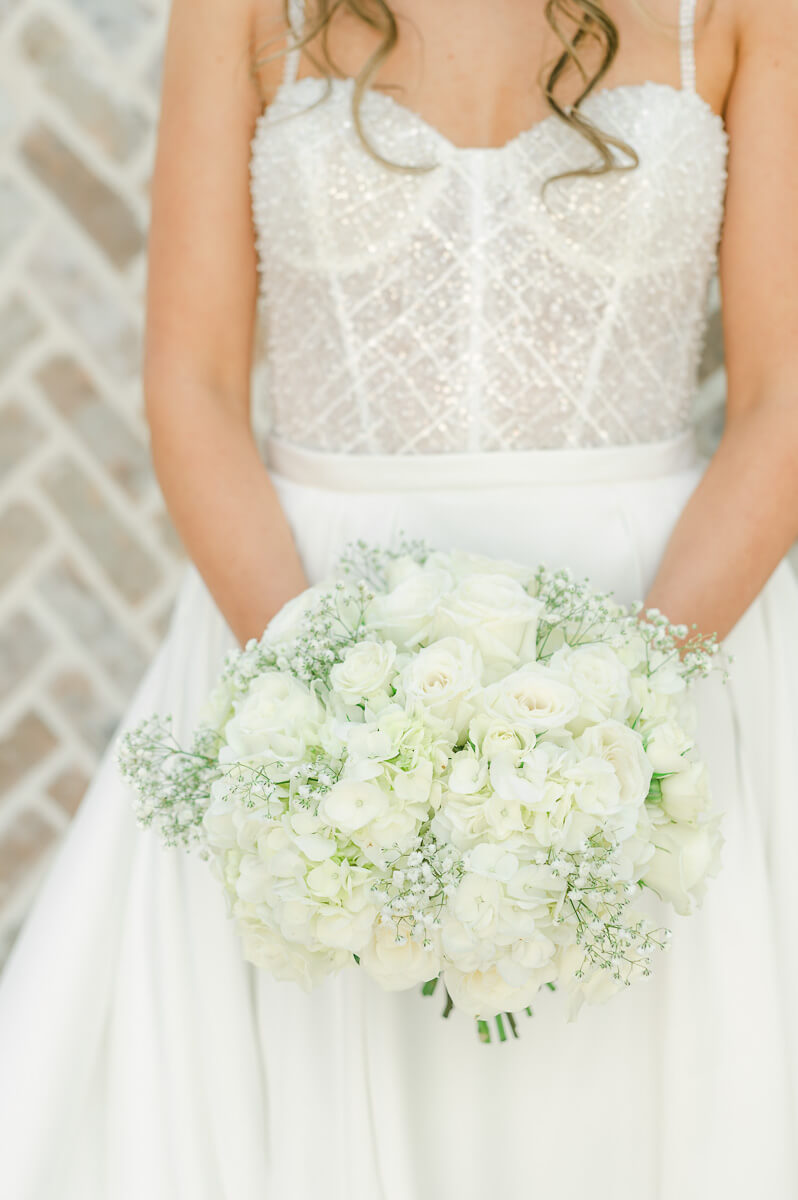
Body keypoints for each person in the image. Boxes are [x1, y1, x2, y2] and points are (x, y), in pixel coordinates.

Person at [0, 0, 796, 1195]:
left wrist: (621, 713)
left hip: (673, 631)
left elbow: (787, 398)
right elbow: (195, 383)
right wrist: (322, 722)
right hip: (299, 620)